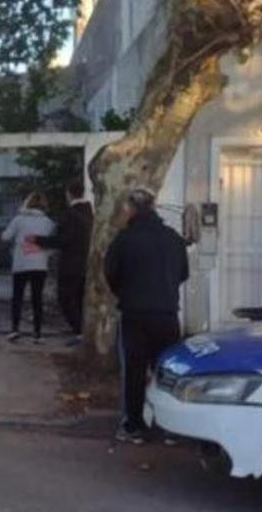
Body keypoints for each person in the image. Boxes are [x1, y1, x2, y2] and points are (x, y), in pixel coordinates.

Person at [104, 188, 189, 444]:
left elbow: (111, 273)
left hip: (134, 312)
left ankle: (134, 426)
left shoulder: (124, 239)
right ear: (154, 207)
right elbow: (183, 273)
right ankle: (170, 427)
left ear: (130, 208)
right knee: (167, 371)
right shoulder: (173, 238)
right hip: (166, 312)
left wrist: (126, 292)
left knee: (134, 370)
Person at [32, 180, 93, 345]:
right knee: (79, 298)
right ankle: (82, 330)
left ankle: (79, 331)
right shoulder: (90, 212)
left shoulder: (71, 215)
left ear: (69, 194)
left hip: (71, 264)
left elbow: (62, 240)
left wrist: (38, 240)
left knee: (65, 298)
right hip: (87, 264)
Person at [1, 192, 55, 343]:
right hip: (40, 264)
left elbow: (5, 236)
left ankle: (14, 329)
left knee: (17, 297)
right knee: (37, 299)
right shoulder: (48, 222)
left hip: (21, 264)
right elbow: (52, 243)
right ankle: (37, 333)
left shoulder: (19, 219)